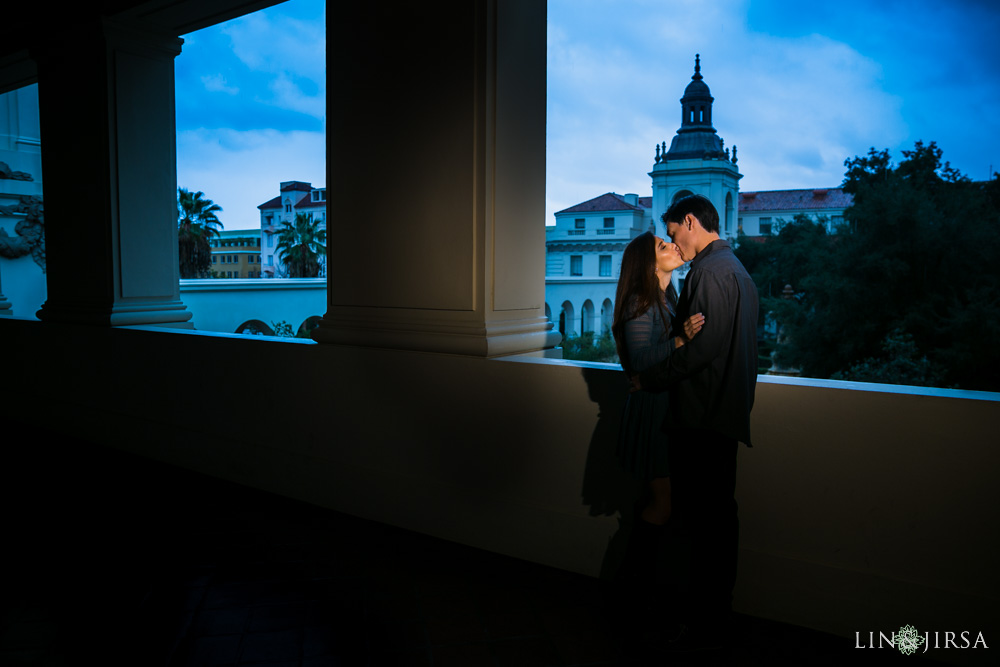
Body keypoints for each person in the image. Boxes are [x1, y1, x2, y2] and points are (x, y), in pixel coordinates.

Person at [632, 194, 758, 650]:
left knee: (702, 528)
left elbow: (701, 350)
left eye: (672, 234)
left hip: (702, 419)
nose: (674, 244)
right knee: (719, 522)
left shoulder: (707, 272)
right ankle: (713, 619)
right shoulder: (738, 271)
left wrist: (651, 379)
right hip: (726, 413)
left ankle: (702, 625)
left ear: (690, 221)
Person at [610, 231, 703, 591]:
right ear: (649, 264)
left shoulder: (665, 296)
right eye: (663, 247)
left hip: (661, 406)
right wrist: (681, 339)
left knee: (663, 501)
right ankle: (633, 588)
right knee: (661, 502)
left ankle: (641, 586)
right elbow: (640, 360)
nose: (673, 247)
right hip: (650, 410)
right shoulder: (640, 301)